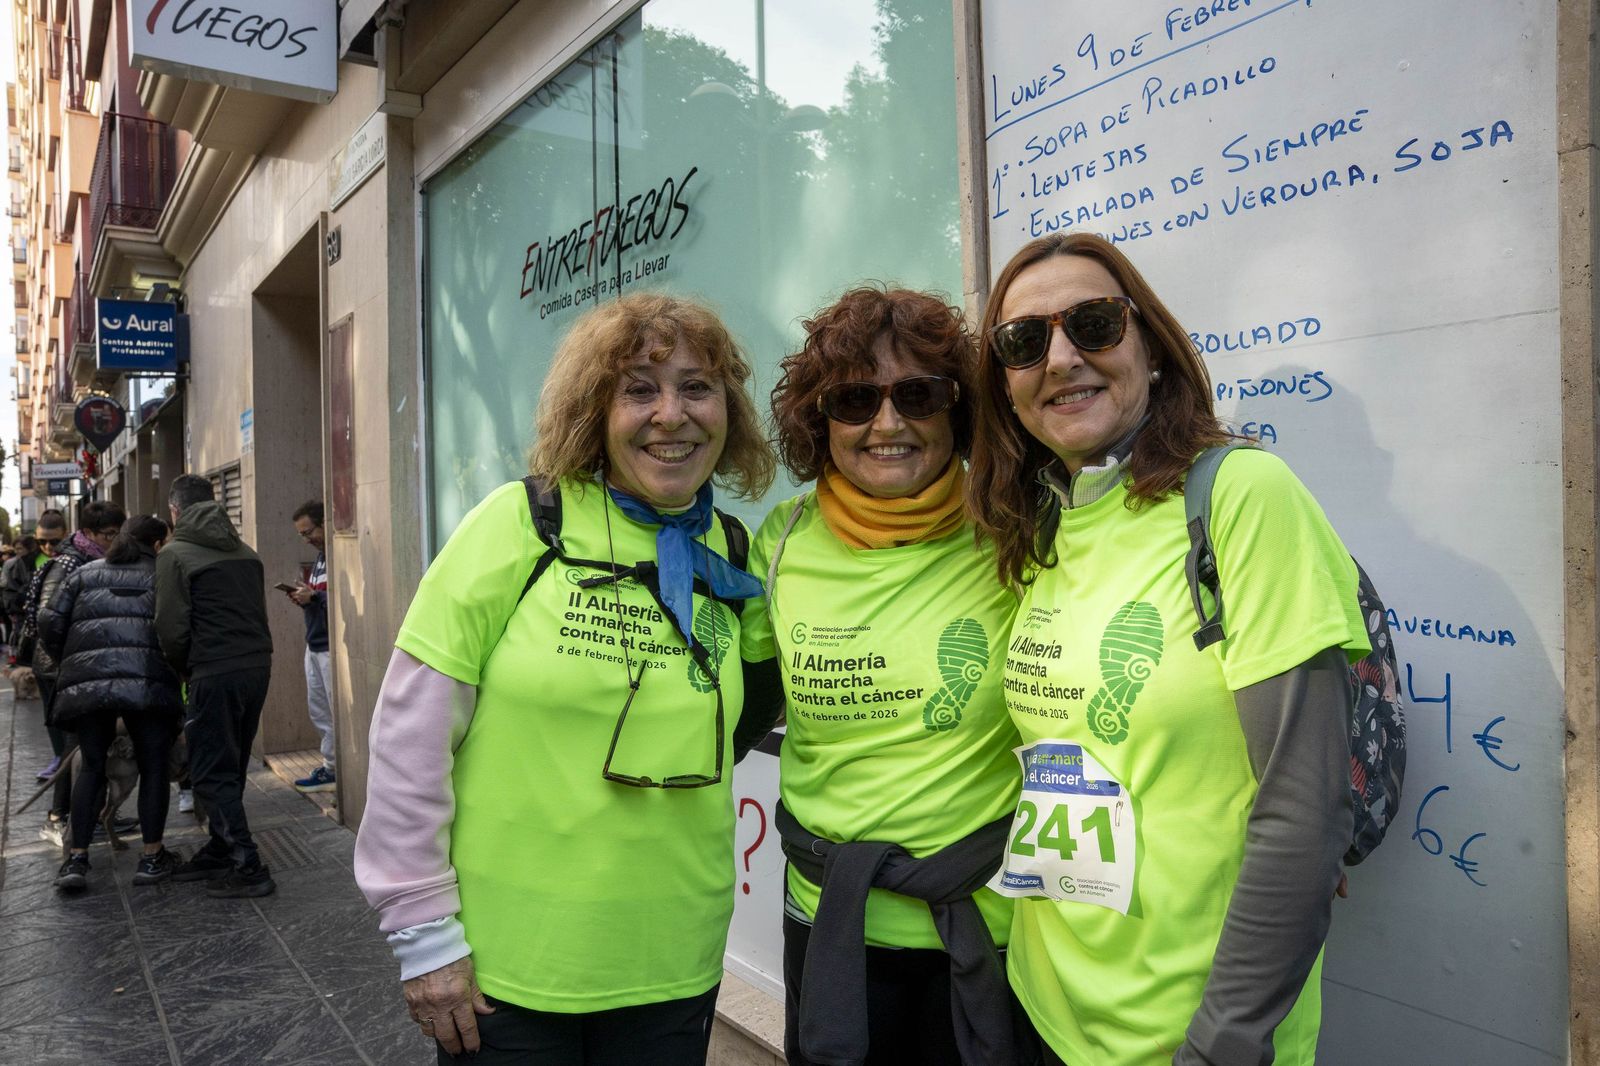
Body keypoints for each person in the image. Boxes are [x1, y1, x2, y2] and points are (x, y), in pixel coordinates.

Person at [964, 232, 1370, 1066]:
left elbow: (1303, 812)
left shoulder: (1241, 496)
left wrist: (1223, 1043)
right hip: (1046, 1006)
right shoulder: (1040, 523)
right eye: (1024, 342)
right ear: (1004, 388)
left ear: (1152, 348)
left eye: (1095, 324)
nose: (1063, 358)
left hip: (1191, 1037)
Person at [354, 293, 781, 1065]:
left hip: (674, 954)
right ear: (595, 409)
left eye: (696, 387)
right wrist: (423, 937)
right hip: (508, 970)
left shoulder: (732, 548)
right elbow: (409, 740)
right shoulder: (519, 524)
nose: (671, 414)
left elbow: (742, 717)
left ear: (728, 410)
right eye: (640, 390)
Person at [742, 287, 1027, 1066]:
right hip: (830, 927)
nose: (888, 423)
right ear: (817, 419)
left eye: (918, 394)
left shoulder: (1018, 528)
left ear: (958, 407)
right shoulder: (780, 540)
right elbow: (732, 709)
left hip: (994, 931)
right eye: (855, 399)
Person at [40, 515, 183, 890]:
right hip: (148, 685)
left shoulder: (84, 574)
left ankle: (77, 861)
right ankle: (151, 857)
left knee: (91, 768)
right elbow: (179, 629)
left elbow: (49, 622)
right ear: (155, 546)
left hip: (89, 687)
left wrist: (71, 661)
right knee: (153, 769)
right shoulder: (162, 576)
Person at [155, 474, 277, 898]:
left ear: (175, 510)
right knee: (232, 763)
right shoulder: (246, 552)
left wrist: (184, 668)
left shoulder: (174, 555)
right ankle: (221, 848)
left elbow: (170, 629)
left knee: (208, 769)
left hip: (213, 669)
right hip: (256, 666)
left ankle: (248, 865)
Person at [20, 503, 126, 830]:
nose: (115, 540)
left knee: (88, 744)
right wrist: (73, 659)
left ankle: (91, 815)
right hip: (60, 669)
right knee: (75, 745)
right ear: (90, 533)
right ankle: (61, 815)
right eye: (109, 535)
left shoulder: (92, 559)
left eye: (117, 534)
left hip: (80, 667)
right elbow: (47, 622)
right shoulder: (68, 563)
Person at [284, 499, 335, 793]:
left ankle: (334, 768)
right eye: (301, 535)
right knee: (319, 711)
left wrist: (314, 598)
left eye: (308, 532)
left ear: (324, 523)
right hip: (313, 643)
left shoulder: (338, 555)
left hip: (329, 646)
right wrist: (306, 596)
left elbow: (340, 599)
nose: (307, 539)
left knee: (331, 710)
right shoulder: (319, 559)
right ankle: (330, 767)